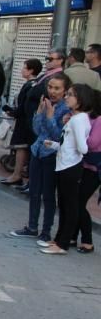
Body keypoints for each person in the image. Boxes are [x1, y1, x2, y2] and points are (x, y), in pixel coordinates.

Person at [10, 74, 71, 241]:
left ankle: (46, 231)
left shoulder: (66, 110)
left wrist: (51, 117)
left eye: (57, 88)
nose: (52, 91)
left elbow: (59, 136)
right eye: (50, 87)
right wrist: (39, 113)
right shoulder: (46, 104)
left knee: (48, 195)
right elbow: (37, 130)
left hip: (52, 155)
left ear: (65, 91)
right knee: (34, 192)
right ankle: (31, 226)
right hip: (37, 151)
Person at [40, 84, 94, 255]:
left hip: (70, 167)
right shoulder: (75, 118)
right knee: (63, 204)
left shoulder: (79, 120)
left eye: (70, 95)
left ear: (81, 99)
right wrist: (55, 145)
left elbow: (83, 148)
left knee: (69, 206)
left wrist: (76, 142)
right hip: (64, 164)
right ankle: (58, 239)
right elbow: (67, 144)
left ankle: (63, 243)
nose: (66, 97)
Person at [0, 58, 42, 186]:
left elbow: (24, 106)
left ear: (31, 70)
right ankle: (17, 174)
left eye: (24, 67)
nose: (21, 70)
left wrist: (13, 112)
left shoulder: (31, 85)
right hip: (25, 120)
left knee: (21, 148)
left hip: (24, 122)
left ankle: (17, 175)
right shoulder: (33, 84)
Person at [75, 90, 101, 253]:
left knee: (78, 203)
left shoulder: (99, 120)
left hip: (94, 168)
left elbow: (92, 143)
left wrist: (78, 136)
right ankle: (72, 235)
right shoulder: (88, 118)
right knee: (76, 201)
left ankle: (87, 241)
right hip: (84, 165)